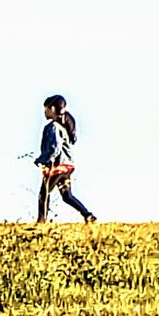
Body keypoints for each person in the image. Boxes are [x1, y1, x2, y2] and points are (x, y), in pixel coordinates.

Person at [34, 95, 96, 224]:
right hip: (67, 166)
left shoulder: (53, 127)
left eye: (46, 109)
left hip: (57, 166)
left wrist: (44, 160)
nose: (45, 112)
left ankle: (41, 221)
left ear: (52, 108)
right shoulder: (63, 127)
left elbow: (54, 147)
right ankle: (88, 216)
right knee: (67, 196)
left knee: (44, 193)